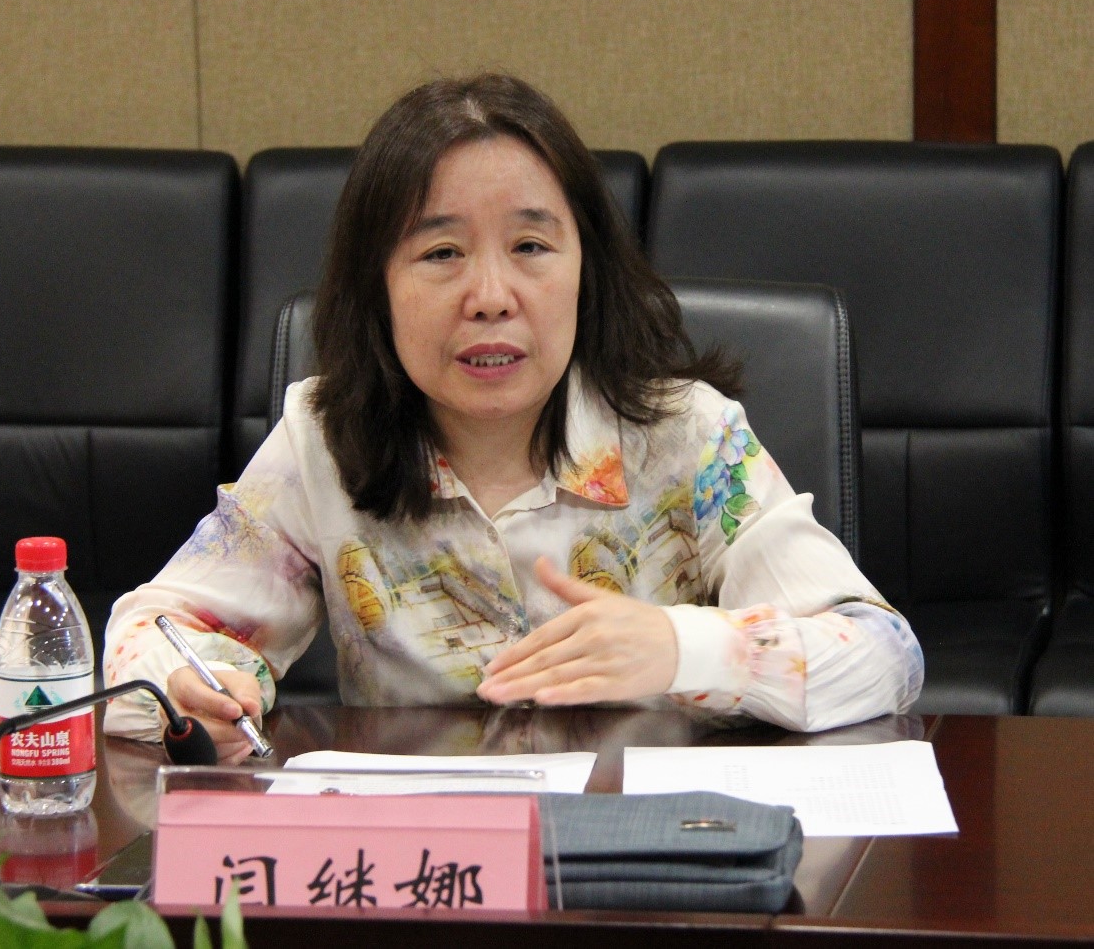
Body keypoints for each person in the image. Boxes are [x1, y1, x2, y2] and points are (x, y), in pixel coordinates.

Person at [103, 73, 923, 761]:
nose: (491, 298)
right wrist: (198, 687)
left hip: (646, 856)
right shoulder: (323, 439)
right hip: (426, 863)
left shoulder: (689, 439)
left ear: (585, 270)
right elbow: (150, 631)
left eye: (530, 247)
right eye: (441, 254)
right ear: (376, 289)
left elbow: (883, 654)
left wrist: (681, 648)